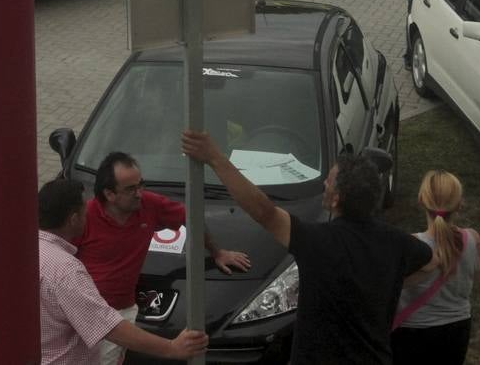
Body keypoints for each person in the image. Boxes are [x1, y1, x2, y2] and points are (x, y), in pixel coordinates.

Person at [181, 132, 436, 364]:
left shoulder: (316, 241)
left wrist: (214, 158)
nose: (325, 183)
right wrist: (388, 282)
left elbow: (262, 211)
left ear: (337, 198)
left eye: (329, 180)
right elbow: (432, 263)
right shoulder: (396, 242)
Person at [77, 152, 250, 365]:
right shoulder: (83, 218)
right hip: (84, 312)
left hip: (120, 311)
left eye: (141, 184)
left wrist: (217, 253)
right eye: (131, 189)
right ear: (109, 194)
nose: (140, 193)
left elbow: (191, 217)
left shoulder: (150, 205)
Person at [36, 179, 209, 365]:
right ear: (73, 219)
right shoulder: (66, 270)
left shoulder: (23, 252)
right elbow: (107, 326)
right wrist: (172, 348)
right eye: (83, 211)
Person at [392, 171, 480, 365]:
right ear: (459, 205)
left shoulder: (409, 245)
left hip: (412, 332)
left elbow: (389, 287)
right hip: (458, 329)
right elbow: (476, 277)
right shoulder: (473, 239)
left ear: (421, 201)